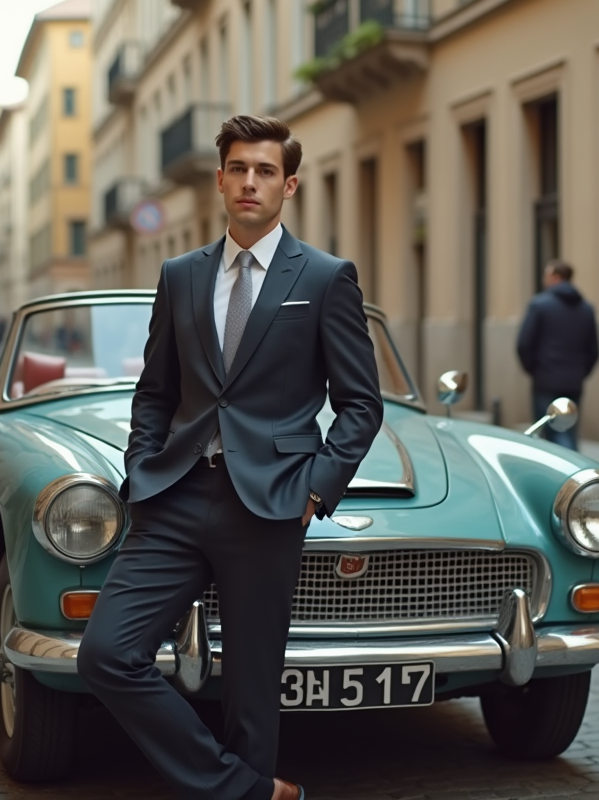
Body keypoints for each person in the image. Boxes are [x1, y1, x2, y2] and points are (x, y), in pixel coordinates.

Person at [76, 115, 383, 800]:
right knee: (106, 655)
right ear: (219, 180)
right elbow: (155, 391)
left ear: (289, 184)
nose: (251, 181)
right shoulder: (181, 275)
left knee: (251, 689)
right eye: (239, 168)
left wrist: (314, 489)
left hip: (271, 503)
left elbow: (361, 404)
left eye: (265, 171)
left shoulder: (327, 278)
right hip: (176, 497)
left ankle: (246, 785)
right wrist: (142, 466)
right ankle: (245, 790)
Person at [516, 260, 599, 450]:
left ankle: (567, 474)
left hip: (546, 381)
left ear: (555, 277)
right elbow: (594, 351)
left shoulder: (539, 305)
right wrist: (579, 373)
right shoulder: (586, 309)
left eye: (547, 276)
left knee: (551, 436)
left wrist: (535, 370)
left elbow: (524, 344)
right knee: (568, 429)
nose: (545, 280)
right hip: (573, 382)